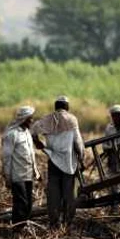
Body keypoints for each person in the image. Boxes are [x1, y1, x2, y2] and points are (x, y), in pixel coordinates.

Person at [31, 96, 85, 229]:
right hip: (69, 163)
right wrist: (81, 158)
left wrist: (38, 143)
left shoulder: (46, 120)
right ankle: (68, 222)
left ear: (56, 107)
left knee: (54, 193)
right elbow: (78, 143)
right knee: (69, 194)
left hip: (53, 162)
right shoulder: (72, 119)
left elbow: (33, 131)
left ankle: (54, 223)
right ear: (67, 107)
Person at [1, 106, 39, 227]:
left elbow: (31, 154)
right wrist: (8, 177)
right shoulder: (12, 135)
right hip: (17, 175)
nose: (32, 121)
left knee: (28, 204)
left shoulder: (27, 133)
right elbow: (7, 158)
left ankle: (22, 227)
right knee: (20, 203)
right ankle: (17, 230)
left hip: (28, 175)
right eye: (30, 119)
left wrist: (36, 171)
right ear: (24, 119)